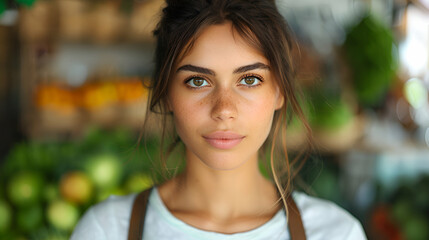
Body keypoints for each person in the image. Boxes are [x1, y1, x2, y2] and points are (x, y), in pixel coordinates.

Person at [71, 0, 367, 239]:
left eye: (249, 79)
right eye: (198, 81)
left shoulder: (337, 233)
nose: (224, 109)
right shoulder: (107, 230)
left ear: (280, 92)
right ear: (165, 93)